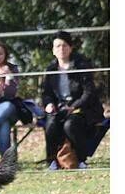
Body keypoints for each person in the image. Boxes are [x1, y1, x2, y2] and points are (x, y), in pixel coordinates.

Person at [41, 31, 104, 170]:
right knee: (51, 125)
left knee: (70, 125)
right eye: (57, 46)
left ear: (70, 48)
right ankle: (52, 161)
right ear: (53, 50)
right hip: (60, 108)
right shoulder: (50, 69)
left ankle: (81, 160)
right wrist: (49, 104)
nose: (61, 49)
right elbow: (46, 93)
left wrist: (74, 106)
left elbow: (89, 93)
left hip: (82, 108)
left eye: (64, 45)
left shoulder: (81, 66)